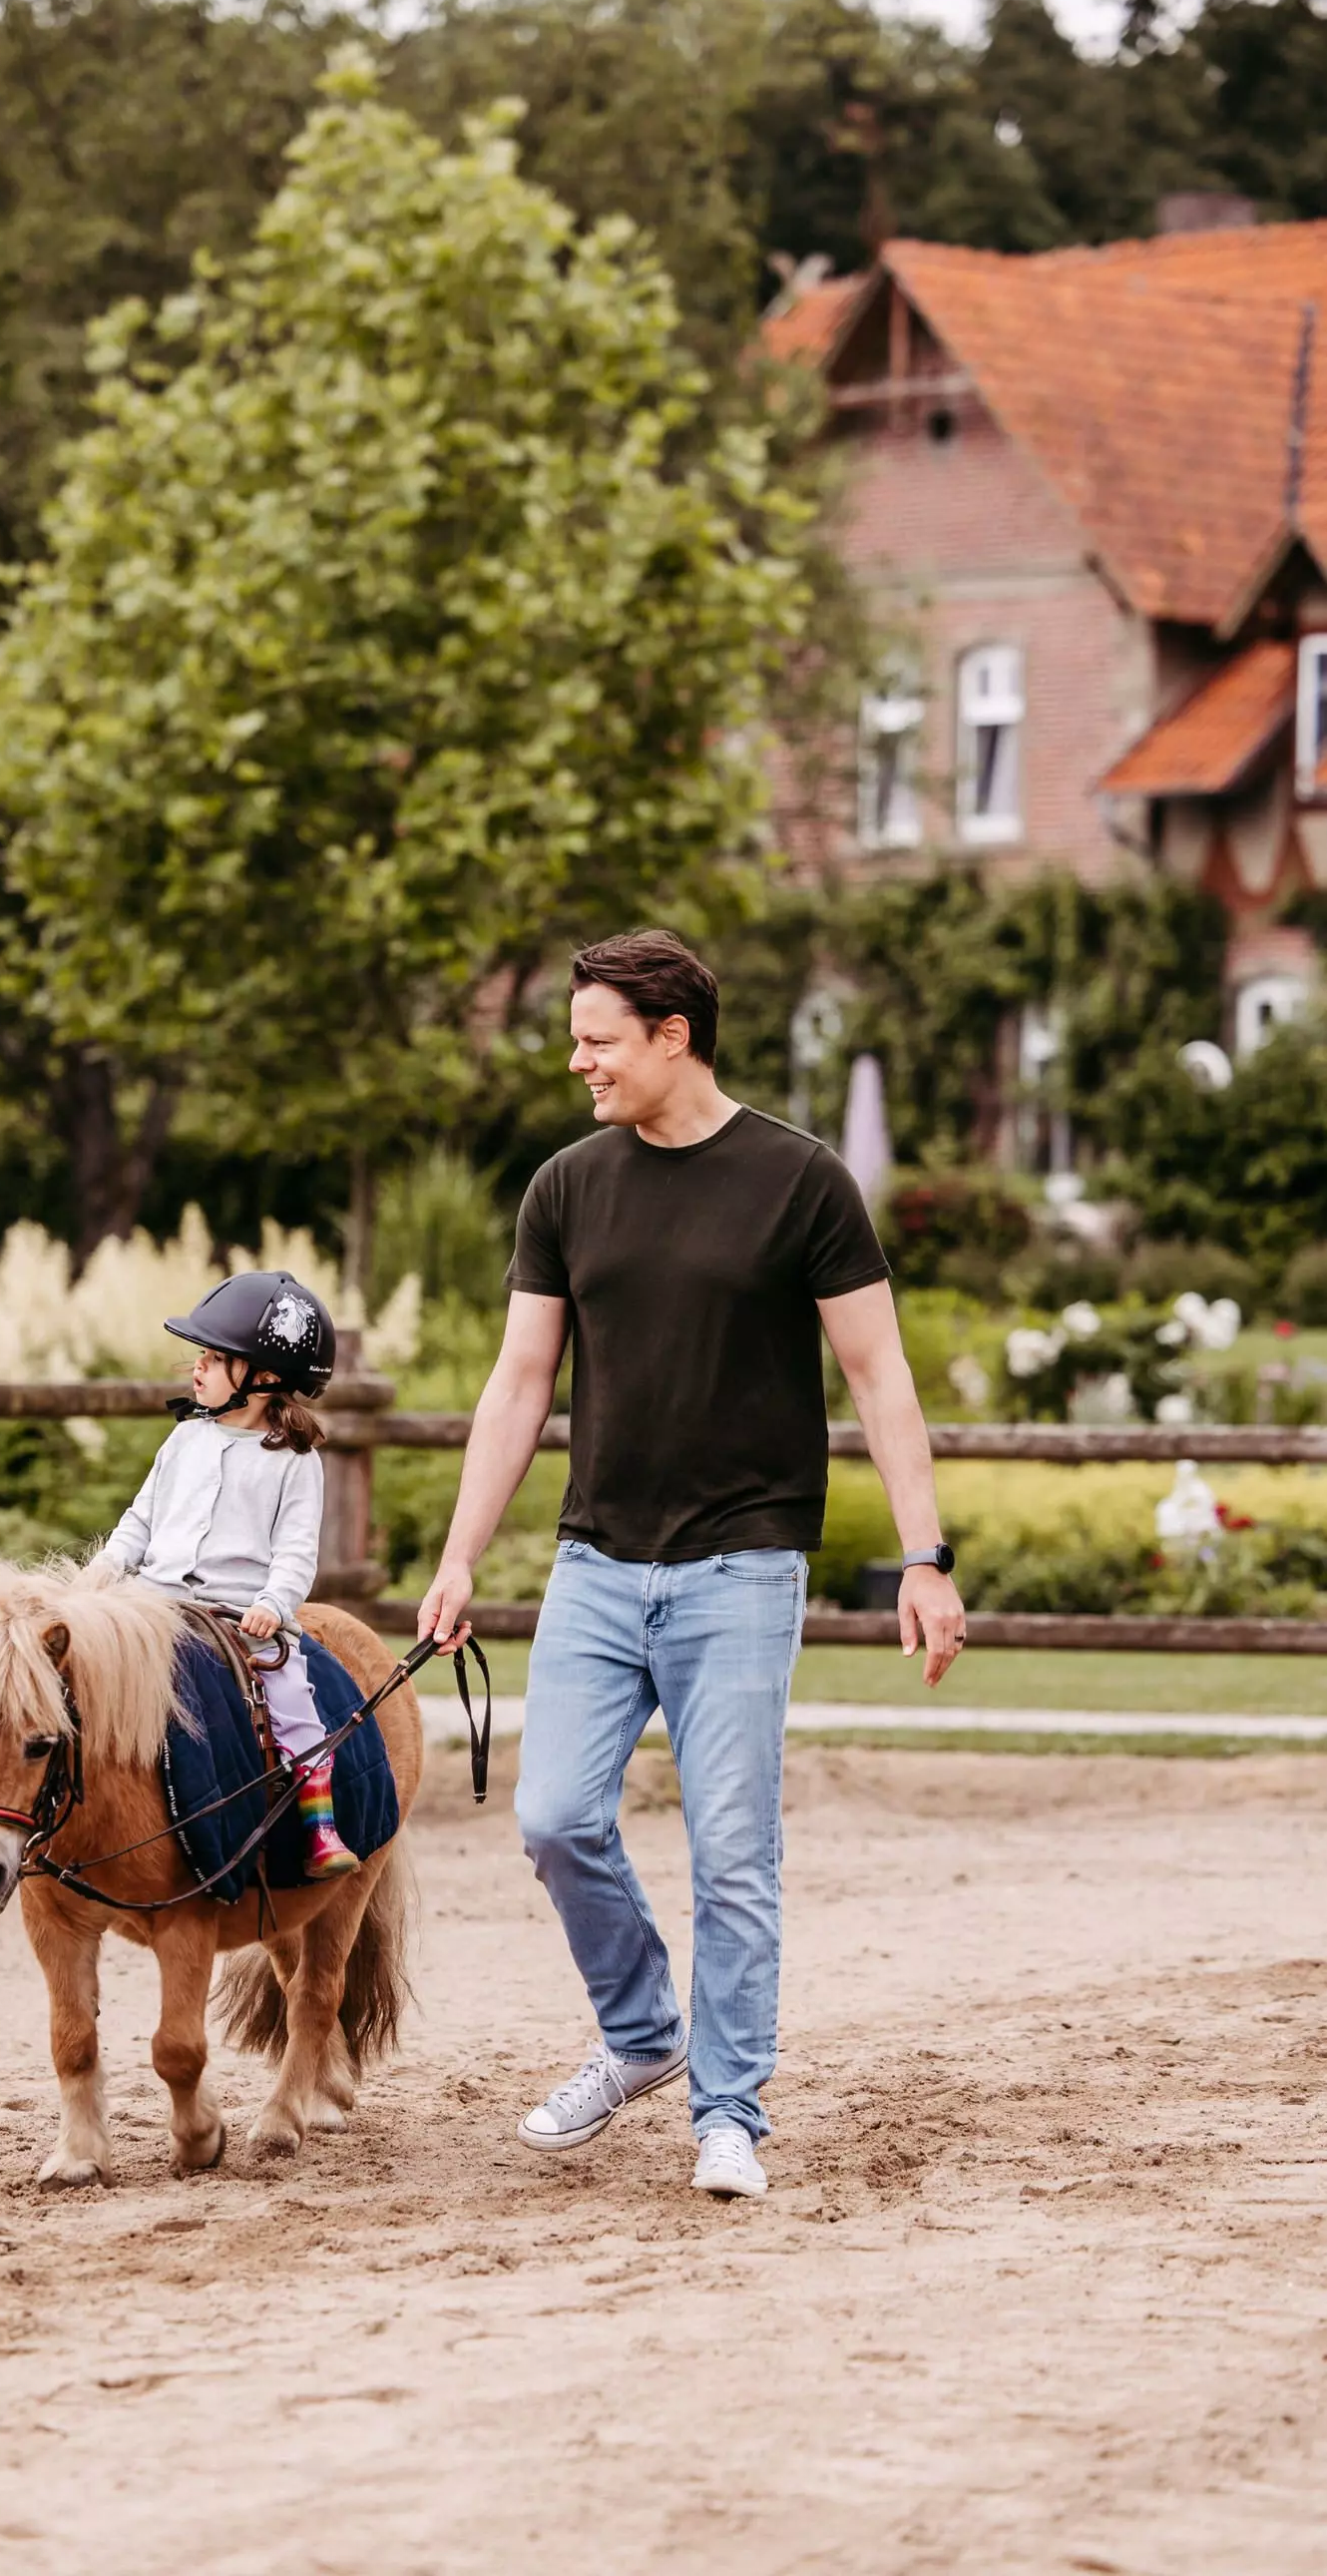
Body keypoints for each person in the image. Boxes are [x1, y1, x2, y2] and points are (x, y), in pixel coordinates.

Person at [417, 929, 967, 2199]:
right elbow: (517, 1384)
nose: (578, 1061)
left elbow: (878, 1376)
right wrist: (457, 1558)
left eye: (597, 1039)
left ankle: (729, 2113)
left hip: (742, 1569)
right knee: (553, 1819)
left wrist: (922, 1558)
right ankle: (640, 2035)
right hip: (595, 1564)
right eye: (575, 1038)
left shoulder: (799, 1181)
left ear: (673, 1037)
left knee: (731, 1854)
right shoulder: (564, 1187)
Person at [102, 1270, 358, 1879]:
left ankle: (319, 1824)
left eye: (216, 1359)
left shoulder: (295, 1462)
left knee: (292, 1701)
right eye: (202, 1355)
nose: (198, 1367)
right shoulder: (183, 1441)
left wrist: (274, 1602)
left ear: (263, 1378)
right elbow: (141, 1520)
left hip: (240, 1615)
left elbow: (296, 1552)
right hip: (154, 1605)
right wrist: (106, 1568)